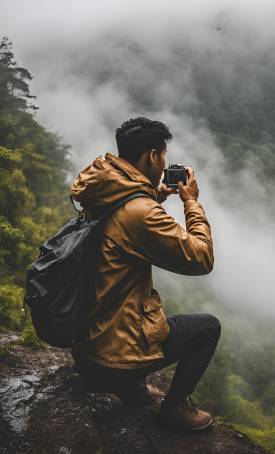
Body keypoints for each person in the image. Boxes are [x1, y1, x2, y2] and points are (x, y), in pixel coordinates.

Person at [70, 117, 220, 431]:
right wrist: (191, 202)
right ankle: (173, 408)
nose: (164, 162)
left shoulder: (102, 193)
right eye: (163, 155)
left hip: (85, 352)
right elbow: (201, 257)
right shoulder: (141, 212)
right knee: (207, 327)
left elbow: (125, 218)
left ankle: (131, 389)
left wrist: (155, 196)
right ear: (152, 156)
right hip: (113, 362)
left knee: (130, 310)